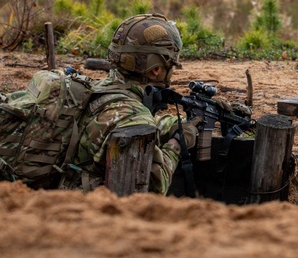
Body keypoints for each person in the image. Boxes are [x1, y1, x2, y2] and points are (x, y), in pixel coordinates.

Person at [59, 13, 199, 195]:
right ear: (156, 69)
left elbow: (118, 121)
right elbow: (153, 186)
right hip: (88, 210)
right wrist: (178, 142)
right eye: (171, 64)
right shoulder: (134, 117)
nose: (172, 70)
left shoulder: (94, 91)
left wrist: (169, 124)